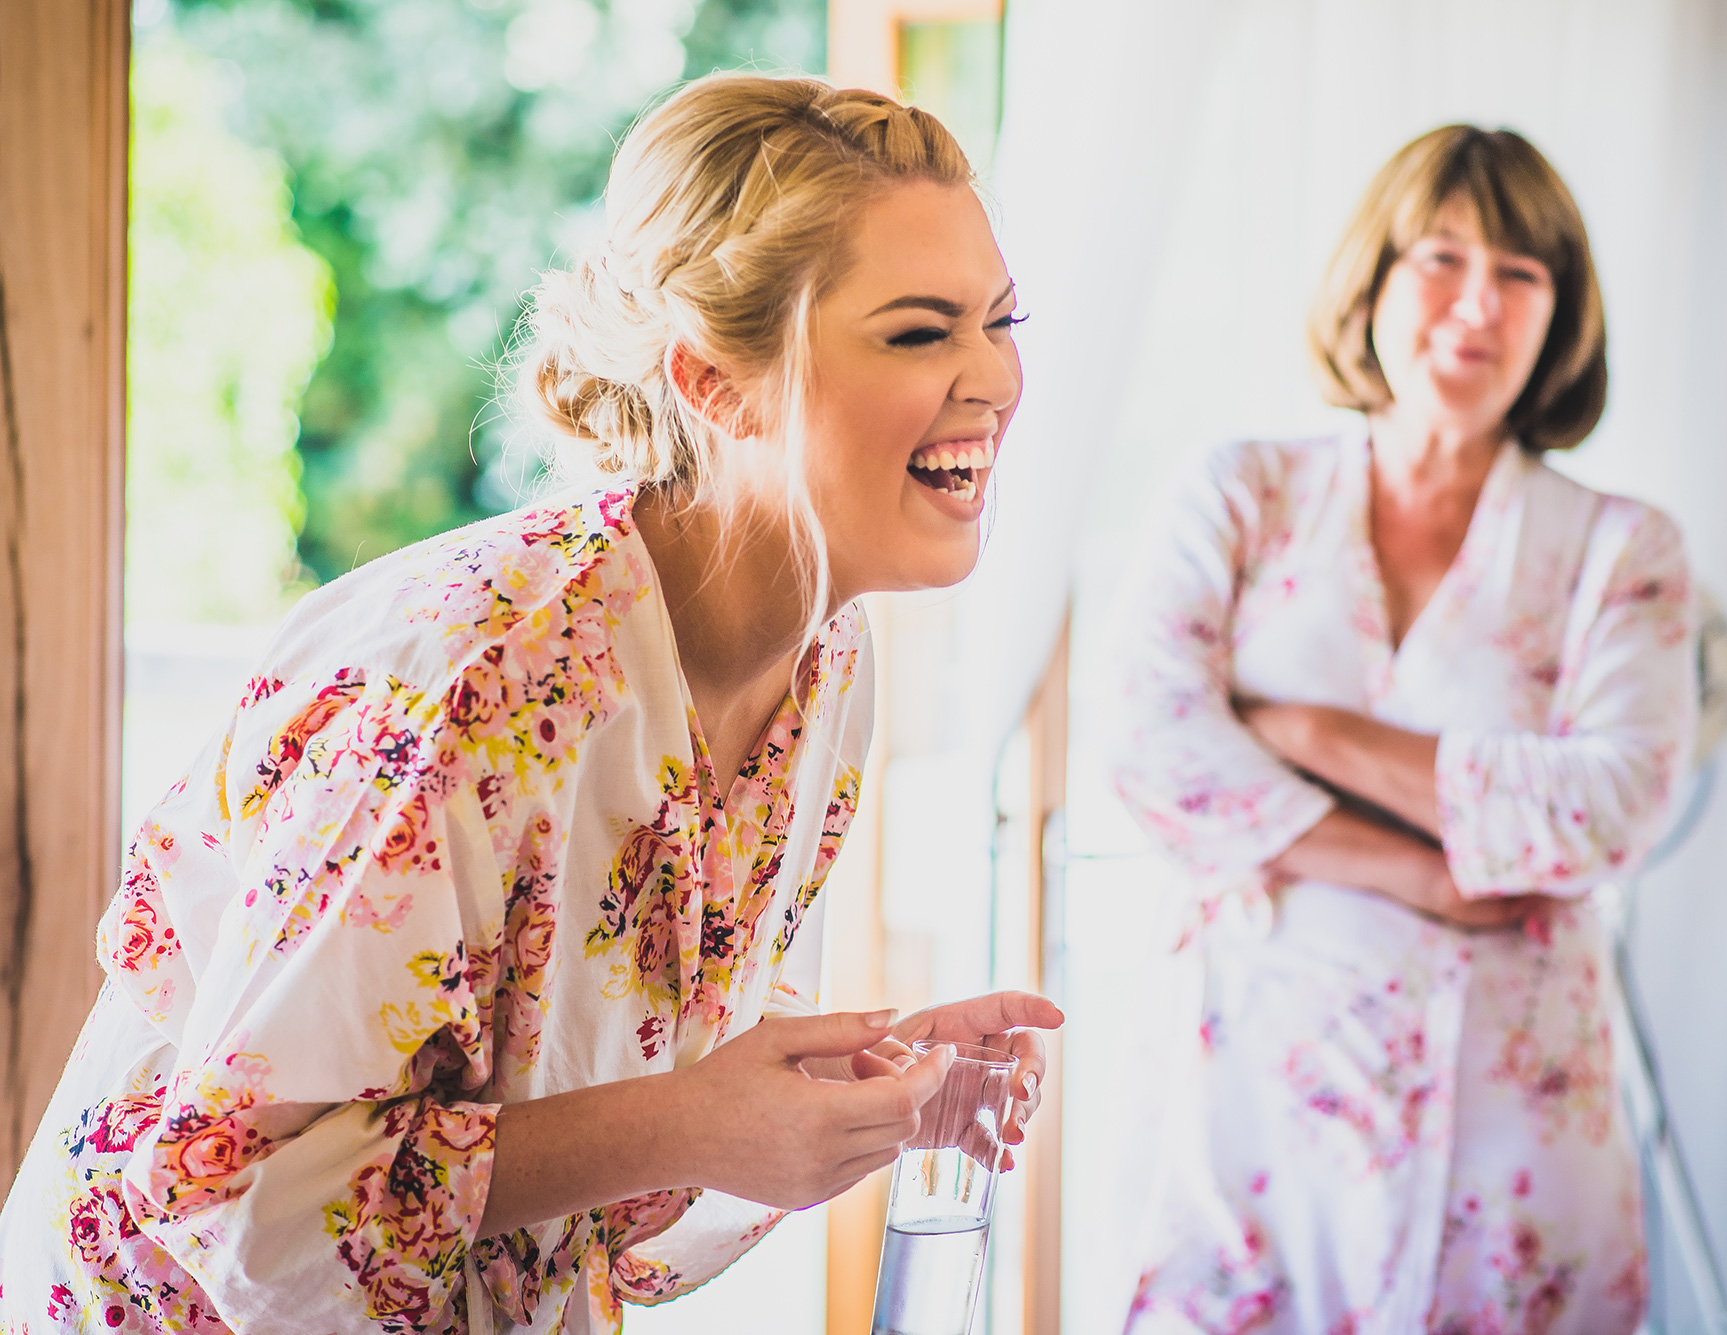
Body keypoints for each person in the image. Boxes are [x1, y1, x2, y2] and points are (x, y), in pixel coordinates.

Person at [0, 73, 1059, 1333]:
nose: (993, 378)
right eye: (918, 331)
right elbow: (233, 1197)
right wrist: (690, 1120)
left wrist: (856, 1081)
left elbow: (606, 1079)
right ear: (715, 384)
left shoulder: (825, 651)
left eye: (1001, 320)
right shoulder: (470, 675)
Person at [1113, 126, 1696, 1335]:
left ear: (1559, 314)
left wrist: (1301, 730)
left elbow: (1615, 802)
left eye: (1521, 274)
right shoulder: (1241, 491)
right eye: (1440, 257)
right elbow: (1146, 743)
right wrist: (1414, 870)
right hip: (1264, 1083)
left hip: (1515, 1111)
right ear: (1371, 280)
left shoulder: (1618, 549)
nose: (1476, 303)